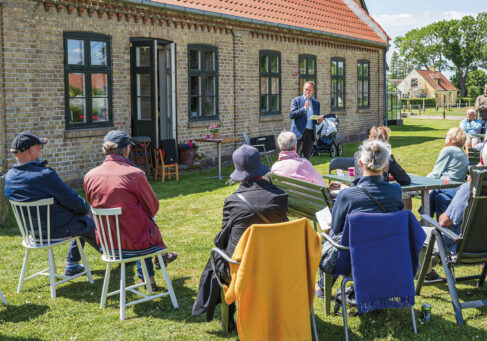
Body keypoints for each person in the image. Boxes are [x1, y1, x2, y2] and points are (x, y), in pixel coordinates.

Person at [192, 145, 288, 327]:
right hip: (276, 265)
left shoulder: (233, 201)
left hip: (241, 268)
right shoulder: (280, 197)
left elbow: (223, 236)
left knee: (218, 256)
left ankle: (227, 316)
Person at [84, 130, 178, 290]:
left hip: (108, 243)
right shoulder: (135, 174)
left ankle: (150, 276)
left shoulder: (90, 176)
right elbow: (153, 208)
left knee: (140, 223)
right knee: (143, 223)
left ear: (105, 149)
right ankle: (151, 272)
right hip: (136, 242)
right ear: (128, 149)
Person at [5, 131, 101, 276]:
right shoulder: (44, 174)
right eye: (39, 146)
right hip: (54, 230)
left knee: (80, 217)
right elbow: (74, 201)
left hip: (32, 232)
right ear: (31, 150)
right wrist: (84, 209)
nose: (41, 149)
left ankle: (73, 264)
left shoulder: (9, 177)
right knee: (87, 218)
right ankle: (114, 254)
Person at [316, 139, 404, 296]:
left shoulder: (346, 195)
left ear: (360, 164)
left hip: (352, 258)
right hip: (388, 254)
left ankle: (322, 286)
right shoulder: (396, 191)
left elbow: (336, 229)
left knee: (330, 236)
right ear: (385, 167)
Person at [421, 141, 487, 279]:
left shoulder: (471, 188)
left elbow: (445, 222)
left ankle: (426, 273)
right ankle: (429, 265)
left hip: (463, 248)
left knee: (416, 230)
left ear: (481, 160)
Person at [290, 81, 321, 159]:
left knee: (306, 157)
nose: (307, 92)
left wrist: (318, 121)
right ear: (303, 89)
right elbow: (292, 115)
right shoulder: (296, 100)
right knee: (293, 155)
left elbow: (315, 118)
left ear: (313, 91)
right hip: (298, 132)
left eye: (309, 90)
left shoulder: (316, 103)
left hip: (309, 133)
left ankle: (304, 171)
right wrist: (304, 108)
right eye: (306, 89)